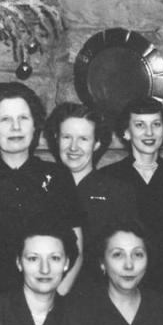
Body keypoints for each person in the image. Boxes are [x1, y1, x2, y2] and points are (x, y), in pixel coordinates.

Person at [0, 82, 85, 295]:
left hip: (48, 298)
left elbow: (76, 249)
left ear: (35, 124)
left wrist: (56, 299)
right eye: (5, 119)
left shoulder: (58, 176)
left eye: (23, 118)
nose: (15, 127)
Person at [44, 102, 137, 294]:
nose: (73, 147)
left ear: (96, 144)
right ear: (56, 138)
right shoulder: (42, 187)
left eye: (83, 139)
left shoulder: (118, 192)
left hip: (99, 297)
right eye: (67, 137)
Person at [99, 98, 163, 297]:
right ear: (126, 132)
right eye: (139, 125)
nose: (149, 133)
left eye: (156, 124)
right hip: (122, 281)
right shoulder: (107, 177)